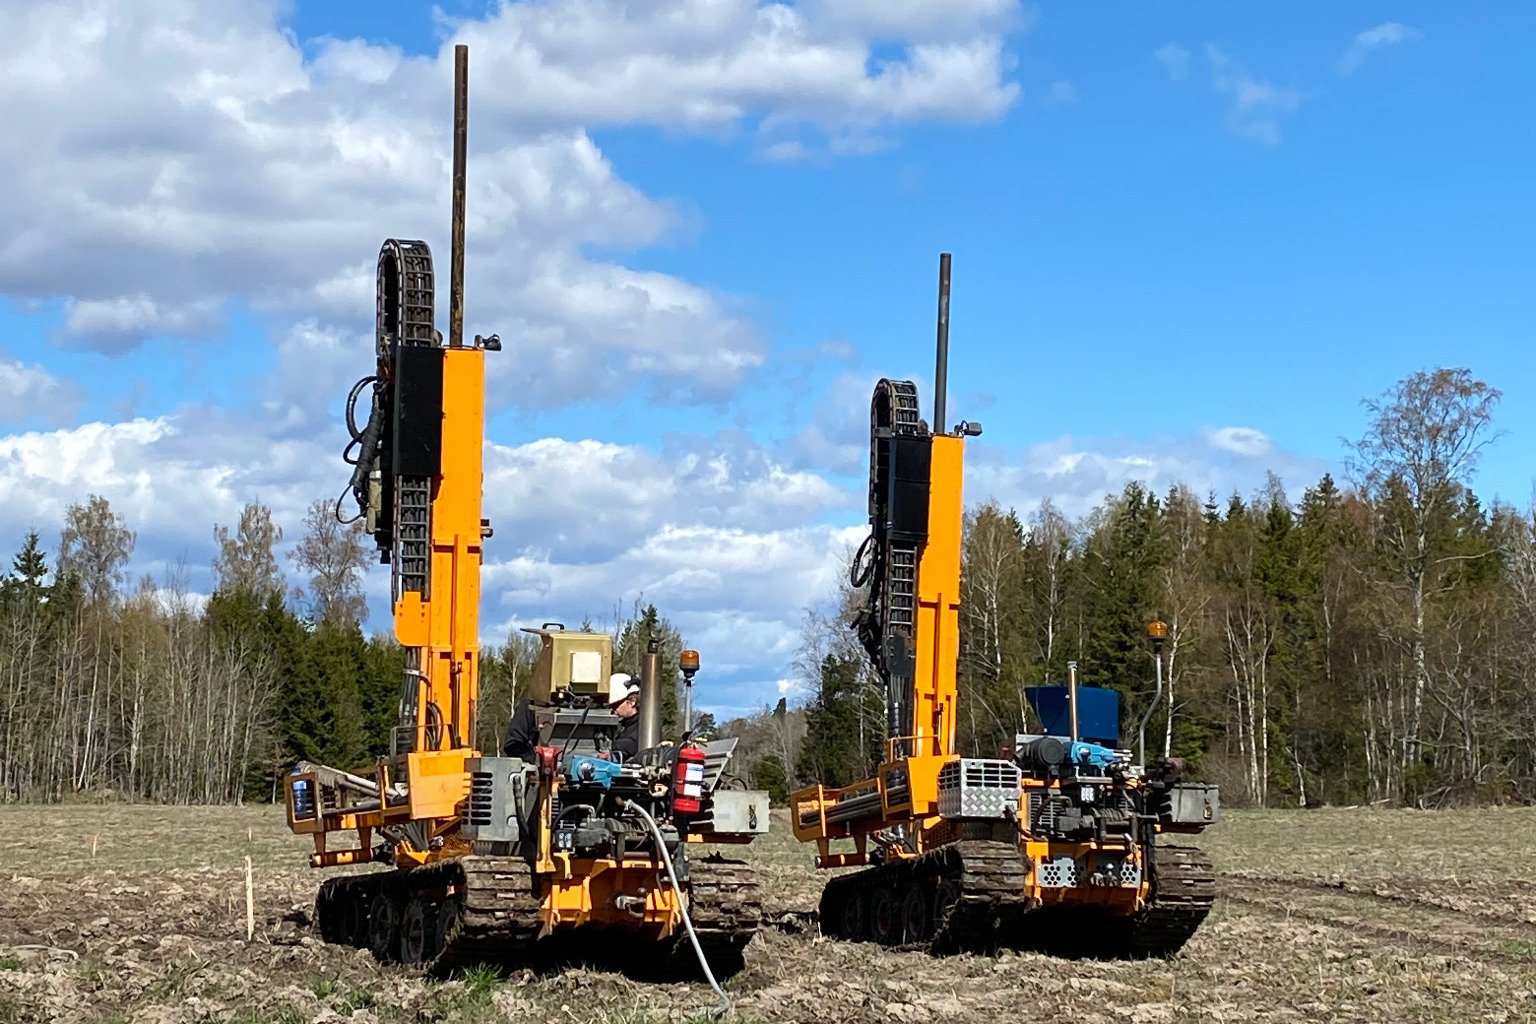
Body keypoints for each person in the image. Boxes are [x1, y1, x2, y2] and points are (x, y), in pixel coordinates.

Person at [607, 672, 641, 761]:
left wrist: (610, 746)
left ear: (632, 702)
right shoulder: (624, 725)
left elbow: (634, 745)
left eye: (615, 705)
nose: (613, 710)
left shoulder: (644, 725)